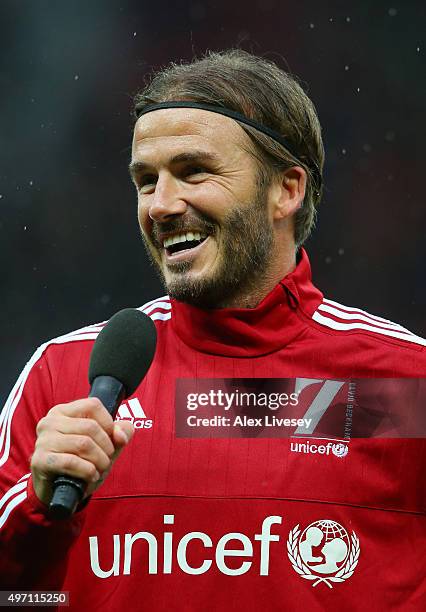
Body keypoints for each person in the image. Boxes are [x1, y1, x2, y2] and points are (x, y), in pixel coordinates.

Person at [1, 49, 425, 611]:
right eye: (146, 180)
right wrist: (35, 513)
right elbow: (19, 598)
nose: (161, 205)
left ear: (287, 190)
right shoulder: (66, 376)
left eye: (193, 171)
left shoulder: (403, 384)